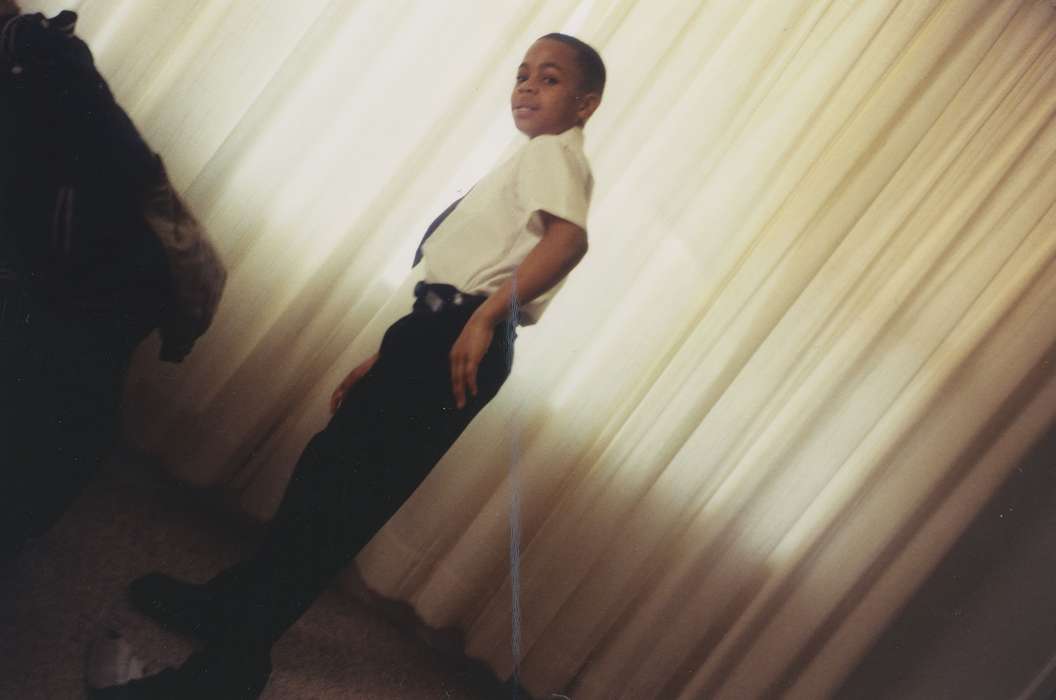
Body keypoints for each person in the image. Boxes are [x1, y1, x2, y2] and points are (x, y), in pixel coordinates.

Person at [97, 33, 605, 699]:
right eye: (522, 75)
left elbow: (570, 241)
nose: (527, 88)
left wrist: (482, 319)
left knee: (331, 501)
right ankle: (235, 606)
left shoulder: (554, 157)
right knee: (326, 482)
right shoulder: (536, 159)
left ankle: (227, 670)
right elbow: (469, 270)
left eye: (550, 79)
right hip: (435, 331)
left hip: (458, 330)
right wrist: (388, 356)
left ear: (585, 103)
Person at [0, 6, 225, 561]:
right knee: (62, 394)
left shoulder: (35, 51)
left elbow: (122, 164)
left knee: (61, 397)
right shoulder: (32, 49)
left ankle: (17, 524)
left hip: (110, 264)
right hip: (90, 260)